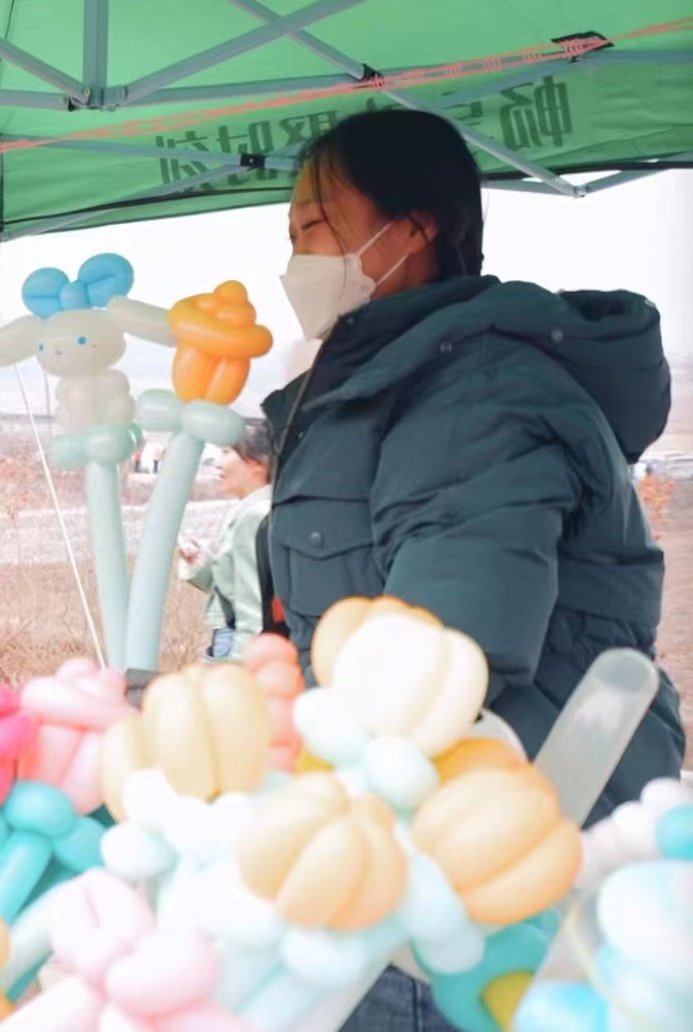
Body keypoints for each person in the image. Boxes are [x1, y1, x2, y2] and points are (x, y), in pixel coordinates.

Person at [259, 110, 683, 1031]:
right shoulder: (378, 384)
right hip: (408, 846)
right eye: (289, 234)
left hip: (487, 868)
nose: (295, 255)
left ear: (414, 228)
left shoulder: (477, 387)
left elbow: (447, 653)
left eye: (317, 225)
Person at [177, 421, 272, 662]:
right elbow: (239, 589)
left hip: (238, 642)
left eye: (227, 452)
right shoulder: (254, 509)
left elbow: (255, 610)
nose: (217, 463)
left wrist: (240, 671)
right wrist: (201, 563)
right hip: (236, 639)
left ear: (260, 462)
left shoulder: (255, 516)